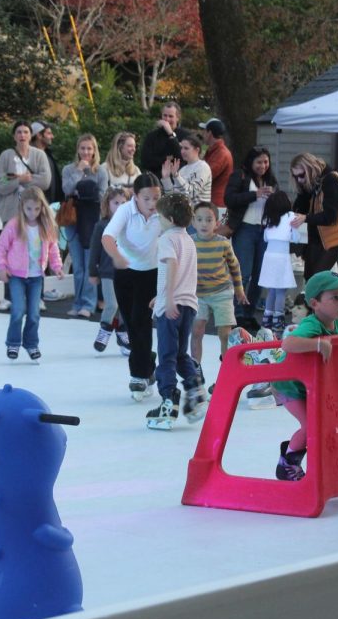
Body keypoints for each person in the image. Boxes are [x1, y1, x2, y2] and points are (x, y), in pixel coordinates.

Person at [270, 271, 338, 480]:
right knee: (311, 425)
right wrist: (317, 343)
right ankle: (287, 463)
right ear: (315, 303)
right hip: (289, 386)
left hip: (312, 386)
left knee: (327, 425)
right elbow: (288, 343)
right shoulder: (312, 324)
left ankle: (335, 469)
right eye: (335, 297)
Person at [145, 193, 205, 430]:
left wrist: (168, 299)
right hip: (189, 304)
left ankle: (168, 401)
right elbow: (182, 273)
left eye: (159, 216)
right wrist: (159, 296)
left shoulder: (167, 239)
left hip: (172, 306)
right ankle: (195, 390)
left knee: (167, 356)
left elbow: (172, 266)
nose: (158, 220)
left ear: (169, 218)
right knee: (180, 354)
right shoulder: (189, 239)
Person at [102, 173, 164, 400]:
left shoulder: (162, 211)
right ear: (136, 197)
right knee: (131, 323)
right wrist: (117, 256)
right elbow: (107, 237)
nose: (152, 203)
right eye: (146, 198)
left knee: (142, 321)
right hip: (126, 272)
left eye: (156, 197)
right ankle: (147, 363)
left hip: (151, 273)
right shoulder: (125, 210)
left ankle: (138, 376)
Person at [0, 186, 64, 361]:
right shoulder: (14, 225)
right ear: (22, 207)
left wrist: (57, 266)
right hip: (16, 276)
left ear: (42, 208)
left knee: (34, 313)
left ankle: (31, 344)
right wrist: (2, 267)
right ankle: (13, 343)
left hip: (36, 277)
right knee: (18, 310)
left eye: (36, 209)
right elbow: (1, 247)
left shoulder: (45, 226)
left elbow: (53, 247)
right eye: (28, 209)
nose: (32, 213)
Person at [0, 120, 53, 311]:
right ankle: (8, 296)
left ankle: (38, 296)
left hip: (34, 211)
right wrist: (19, 180)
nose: (22, 135)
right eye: (19, 132)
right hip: (12, 212)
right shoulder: (6, 156)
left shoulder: (39, 155)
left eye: (26, 132)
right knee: (10, 252)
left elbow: (45, 180)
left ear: (30, 135)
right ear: (14, 135)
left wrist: (26, 181)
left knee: (38, 251)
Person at [190, 202, 246, 372]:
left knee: (225, 334)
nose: (204, 224)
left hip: (222, 293)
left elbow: (234, 266)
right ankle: (195, 368)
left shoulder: (223, 243)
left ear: (217, 222)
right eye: (199, 219)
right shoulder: (189, 242)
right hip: (198, 295)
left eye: (209, 220)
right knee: (197, 331)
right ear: (193, 222)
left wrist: (239, 290)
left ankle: (227, 369)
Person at [224, 146, 278, 321]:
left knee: (260, 275)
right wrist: (254, 195)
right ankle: (236, 314)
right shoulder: (240, 175)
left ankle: (249, 313)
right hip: (245, 228)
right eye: (259, 162)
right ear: (250, 162)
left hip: (264, 230)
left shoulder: (271, 179)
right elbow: (229, 199)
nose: (263, 166)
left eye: (266, 162)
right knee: (243, 273)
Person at [289, 152, 338, 276]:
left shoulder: (331, 180)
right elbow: (303, 205)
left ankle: (333, 293)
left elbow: (330, 216)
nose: (299, 179)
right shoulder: (313, 180)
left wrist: (305, 218)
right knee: (310, 275)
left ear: (310, 169)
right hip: (320, 233)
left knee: (318, 276)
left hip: (336, 232)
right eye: (295, 177)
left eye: (301, 175)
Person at [61, 133, 108, 318]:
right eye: (82, 148)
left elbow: (103, 196)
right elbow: (67, 190)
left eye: (89, 148)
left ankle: (88, 303)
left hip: (93, 221)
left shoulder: (100, 171)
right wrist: (79, 172)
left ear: (95, 150)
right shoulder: (68, 169)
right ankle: (77, 302)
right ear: (77, 150)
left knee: (90, 265)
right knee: (78, 266)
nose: (86, 152)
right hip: (73, 220)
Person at [87, 186, 132, 355]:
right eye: (116, 203)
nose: (120, 206)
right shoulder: (102, 225)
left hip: (127, 272)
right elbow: (94, 251)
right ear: (108, 204)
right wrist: (92, 272)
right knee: (112, 304)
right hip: (108, 273)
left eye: (123, 202)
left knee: (125, 307)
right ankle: (105, 329)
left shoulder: (131, 225)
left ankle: (122, 335)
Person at [257, 190, 302, 336]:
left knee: (271, 290)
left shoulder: (268, 219)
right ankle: (278, 319)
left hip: (269, 257)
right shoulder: (290, 217)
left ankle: (266, 320)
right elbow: (295, 238)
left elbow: (265, 238)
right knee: (281, 291)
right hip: (282, 258)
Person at [161, 132, 212, 205]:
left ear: (197, 150)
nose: (182, 151)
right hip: (183, 214)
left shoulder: (203, 167)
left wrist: (176, 176)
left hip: (199, 214)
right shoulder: (183, 170)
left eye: (186, 148)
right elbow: (171, 198)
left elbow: (191, 193)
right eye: (181, 148)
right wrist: (166, 178)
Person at [140, 101, 186, 179]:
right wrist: (167, 159)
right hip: (155, 179)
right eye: (165, 115)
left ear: (177, 118)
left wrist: (171, 134)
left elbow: (182, 158)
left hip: (178, 180)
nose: (167, 119)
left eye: (171, 116)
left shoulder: (185, 135)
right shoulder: (152, 136)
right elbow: (146, 161)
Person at [199, 118, 234, 208]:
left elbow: (206, 176)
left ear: (209, 133)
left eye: (204, 131)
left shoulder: (221, 153)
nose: (202, 133)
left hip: (217, 204)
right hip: (211, 202)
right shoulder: (213, 151)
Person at [31, 121, 65, 205]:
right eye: (49, 133)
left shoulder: (48, 155)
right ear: (39, 135)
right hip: (36, 208)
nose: (52, 136)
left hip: (52, 208)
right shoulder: (28, 157)